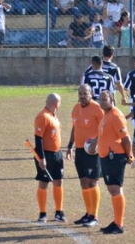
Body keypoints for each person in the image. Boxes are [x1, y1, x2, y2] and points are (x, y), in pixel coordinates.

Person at [93, 90, 134, 234]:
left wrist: (130, 156)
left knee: (116, 189)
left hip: (115, 157)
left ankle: (119, 224)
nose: (101, 102)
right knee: (112, 189)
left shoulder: (116, 115)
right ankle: (116, 221)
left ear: (112, 100)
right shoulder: (106, 116)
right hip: (106, 157)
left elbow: (126, 139)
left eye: (105, 100)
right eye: (100, 99)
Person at [65, 85, 104, 227]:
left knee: (92, 182)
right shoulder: (76, 108)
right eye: (80, 93)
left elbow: (105, 127)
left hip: (93, 152)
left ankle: (95, 216)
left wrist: (96, 141)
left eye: (85, 93)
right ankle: (88, 214)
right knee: (83, 182)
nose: (82, 96)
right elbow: (75, 127)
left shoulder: (97, 108)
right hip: (80, 150)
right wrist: (70, 146)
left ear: (91, 94)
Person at [33, 93, 66, 223]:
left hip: (57, 154)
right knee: (43, 183)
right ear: (57, 104)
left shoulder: (53, 116)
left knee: (58, 181)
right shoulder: (43, 116)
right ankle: (42, 213)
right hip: (46, 155)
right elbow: (38, 138)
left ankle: (59, 212)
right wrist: (41, 158)